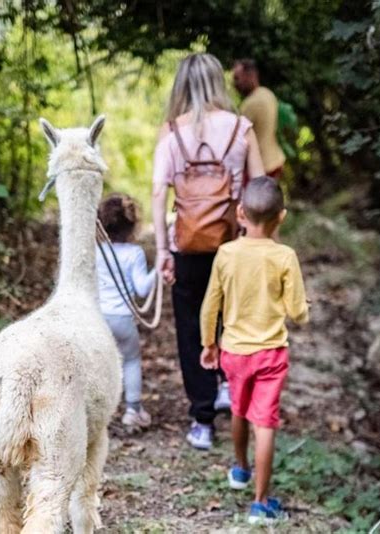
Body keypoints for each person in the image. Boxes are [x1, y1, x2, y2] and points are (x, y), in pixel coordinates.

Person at [152, 53, 264, 450]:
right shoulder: (241, 129)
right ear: (218, 82)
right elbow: (261, 188)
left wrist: (163, 251)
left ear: (181, 85)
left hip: (187, 245)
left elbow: (157, 192)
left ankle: (202, 421)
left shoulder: (171, 132)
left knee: (190, 326)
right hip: (231, 244)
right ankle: (229, 391)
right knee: (231, 319)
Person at [200, 176, 309, 524]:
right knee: (265, 424)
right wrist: (305, 308)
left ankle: (241, 470)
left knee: (238, 408)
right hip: (270, 353)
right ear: (282, 217)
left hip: (233, 351)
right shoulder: (284, 256)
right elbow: (296, 312)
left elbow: (210, 306)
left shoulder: (226, 253)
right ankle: (261, 504)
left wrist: (208, 343)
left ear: (240, 213)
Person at [96, 193, 156, 429]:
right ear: (133, 225)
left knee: (99, 363)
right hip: (122, 319)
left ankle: (98, 411)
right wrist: (159, 271)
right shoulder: (135, 254)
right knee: (131, 360)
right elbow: (142, 288)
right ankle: (132, 410)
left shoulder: (96, 251)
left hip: (97, 318)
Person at [233, 59, 286, 179]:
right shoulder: (268, 94)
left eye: (237, 78)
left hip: (260, 167)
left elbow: (238, 139)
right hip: (276, 158)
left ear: (250, 76)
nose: (234, 84)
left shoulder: (250, 104)